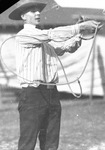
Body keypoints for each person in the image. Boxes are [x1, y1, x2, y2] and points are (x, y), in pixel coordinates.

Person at [9, 0, 101, 150]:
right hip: (32, 94)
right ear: (23, 16)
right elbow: (51, 34)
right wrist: (79, 27)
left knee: (51, 143)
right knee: (27, 143)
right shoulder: (24, 35)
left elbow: (65, 47)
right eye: (33, 11)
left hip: (51, 93)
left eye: (39, 10)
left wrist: (80, 34)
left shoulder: (43, 40)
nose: (38, 13)